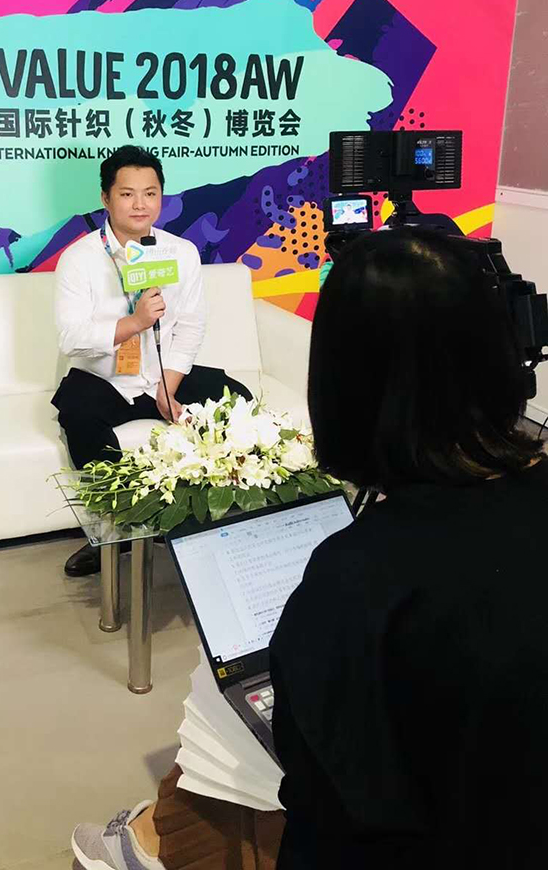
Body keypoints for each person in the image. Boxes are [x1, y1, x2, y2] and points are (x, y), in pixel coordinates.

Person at [71, 226, 548, 870]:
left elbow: (322, 786)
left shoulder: (360, 577)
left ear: (341, 384)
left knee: (232, 738)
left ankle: (147, 840)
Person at [53, 145, 252, 577]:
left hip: (162, 375)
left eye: (150, 193)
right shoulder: (79, 259)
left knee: (235, 398)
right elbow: (72, 339)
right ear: (106, 198)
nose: (140, 204)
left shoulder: (180, 252)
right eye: (127, 194)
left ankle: (203, 514)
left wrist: (168, 387)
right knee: (78, 414)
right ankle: (111, 532)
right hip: (105, 377)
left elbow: (191, 326)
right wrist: (134, 322)